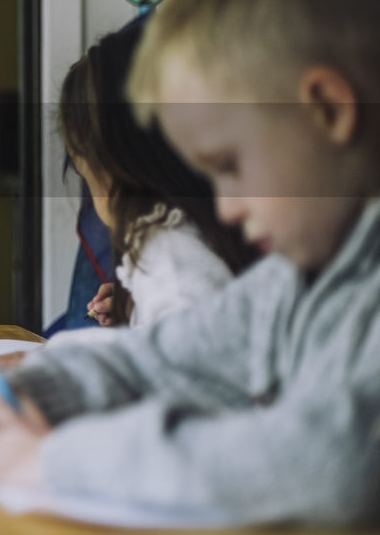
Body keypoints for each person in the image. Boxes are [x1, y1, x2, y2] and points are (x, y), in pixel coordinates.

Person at [0, 0, 380, 526]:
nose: (224, 208)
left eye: (230, 166)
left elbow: (333, 462)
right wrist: (20, 394)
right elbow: (155, 359)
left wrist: (58, 460)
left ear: (329, 110)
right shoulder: (291, 282)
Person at [55, 20, 255, 331]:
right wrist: (131, 314)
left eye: (85, 176)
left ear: (111, 171)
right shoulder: (172, 247)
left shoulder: (171, 266)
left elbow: (184, 372)